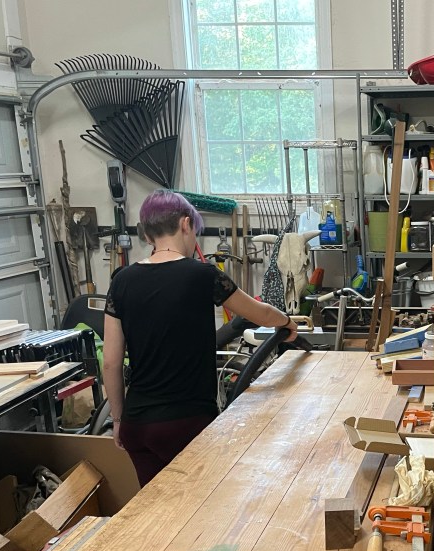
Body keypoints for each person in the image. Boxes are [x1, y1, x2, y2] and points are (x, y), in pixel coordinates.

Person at [103, 189, 296, 486]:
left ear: (147, 234)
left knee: (153, 506)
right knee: (199, 506)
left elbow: (111, 363)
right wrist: (288, 323)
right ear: (185, 224)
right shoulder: (203, 275)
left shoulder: (121, 281)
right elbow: (260, 314)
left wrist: (118, 421)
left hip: (138, 425)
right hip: (187, 423)